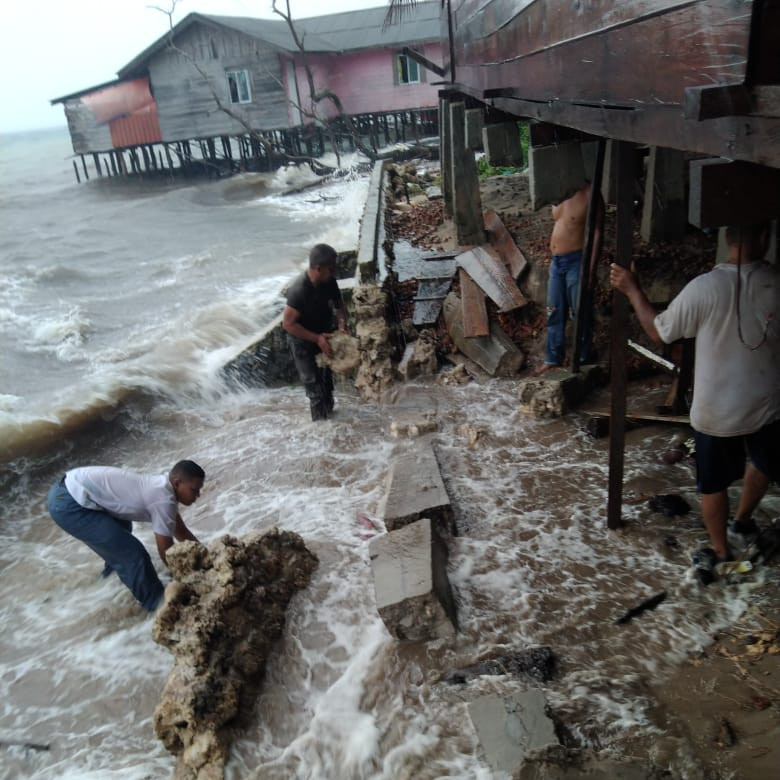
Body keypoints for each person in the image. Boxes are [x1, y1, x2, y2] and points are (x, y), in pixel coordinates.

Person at [609, 222, 779, 581]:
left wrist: (633, 290)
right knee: (764, 461)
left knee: (712, 484)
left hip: (717, 409)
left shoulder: (705, 288)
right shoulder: (775, 283)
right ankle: (743, 521)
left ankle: (720, 551)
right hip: (768, 402)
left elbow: (659, 331)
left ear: (727, 239)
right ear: (764, 237)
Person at [47, 460, 205, 610]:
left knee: (123, 530)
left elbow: (181, 531)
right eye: (194, 490)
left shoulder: (163, 488)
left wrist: (207, 557)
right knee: (134, 555)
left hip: (69, 490)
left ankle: (111, 578)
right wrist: (184, 580)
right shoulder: (164, 500)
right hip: (68, 503)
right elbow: (166, 551)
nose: (197, 496)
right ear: (177, 483)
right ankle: (158, 606)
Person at [537, 181, 604, 374]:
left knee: (580, 310)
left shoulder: (590, 193)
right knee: (554, 310)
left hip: (577, 259)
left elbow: (598, 232)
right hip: (557, 261)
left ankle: (582, 358)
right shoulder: (559, 191)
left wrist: (590, 271)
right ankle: (553, 358)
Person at [282, 243, 348, 421]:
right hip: (302, 341)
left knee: (327, 384)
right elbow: (288, 324)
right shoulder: (299, 290)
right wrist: (316, 338)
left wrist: (342, 324)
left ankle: (333, 426)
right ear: (318, 268)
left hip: (323, 335)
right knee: (315, 390)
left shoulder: (329, 282)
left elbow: (339, 306)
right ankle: (320, 434)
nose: (334, 272)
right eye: (331, 269)